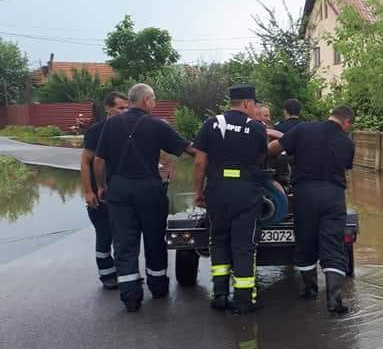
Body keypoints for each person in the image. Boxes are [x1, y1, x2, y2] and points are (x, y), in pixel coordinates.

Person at [94, 83, 198, 312]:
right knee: (154, 240)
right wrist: (213, 156)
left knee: (124, 244)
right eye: (154, 99)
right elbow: (189, 149)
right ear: (147, 100)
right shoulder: (157, 125)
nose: (155, 103)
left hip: (119, 190)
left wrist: (102, 187)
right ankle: (158, 288)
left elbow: (99, 161)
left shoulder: (110, 124)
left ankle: (130, 298)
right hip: (149, 189)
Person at [267, 105, 355, 314]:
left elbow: (273, 149)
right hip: (334, 195)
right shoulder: (348, 142)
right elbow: (345, 169)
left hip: (305, 193)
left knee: (305, 240)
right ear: (346, 122)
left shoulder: (303, 129)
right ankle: (334, 301)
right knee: (333, 245)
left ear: (331, 115)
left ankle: (309, 290)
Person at [192, 85, 269, 314]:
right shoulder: (256, 128)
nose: (255, 108)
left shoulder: (211, 124)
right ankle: (244, 300)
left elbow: (199, 163)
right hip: (246, 192)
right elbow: (261, 159)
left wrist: (199, 192)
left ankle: (220, 295)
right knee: (244, 245)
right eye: (254, 104)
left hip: (218, 190)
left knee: (218, 241)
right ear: (247, 103)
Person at [81, 91, 129, 290]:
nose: (125, 111)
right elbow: (86, 162)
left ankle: (124, 273)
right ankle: (106, 274)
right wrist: (88, 191)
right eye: (121, 108)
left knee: (122, 235)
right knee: (104, 234)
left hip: (120, 191)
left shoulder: (128, 129)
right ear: (108, 109)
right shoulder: (96, 131)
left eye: (127, 108)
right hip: (99, 193)